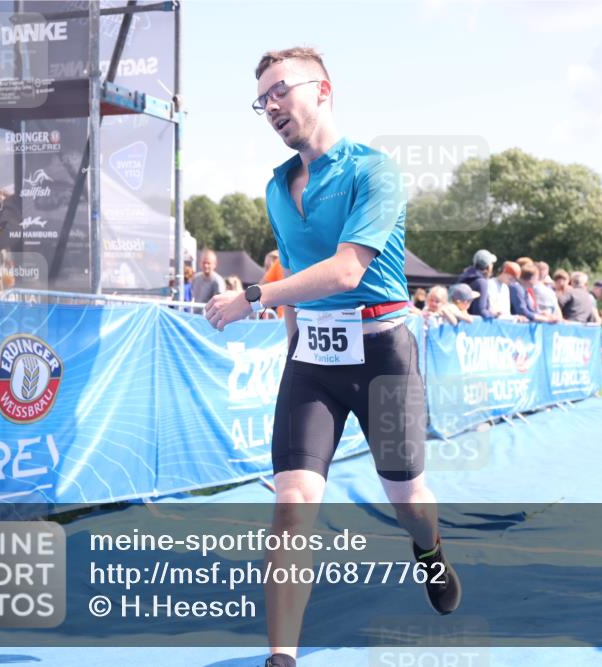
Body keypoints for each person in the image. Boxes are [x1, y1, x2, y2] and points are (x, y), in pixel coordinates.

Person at [204, 47, 460, 667]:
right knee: (291, 504)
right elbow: (297, 271)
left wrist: (252, 298)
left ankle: (429, 551)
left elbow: (346, 271)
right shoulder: (274, 186)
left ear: (323, 90)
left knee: (409, 501)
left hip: (384, 355)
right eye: (261, 99)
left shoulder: (375, 171)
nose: (270, 107)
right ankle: (281, 658)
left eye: (280, 91)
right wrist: (294, 349)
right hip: (313, 362)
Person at [456, 249, 497, 319]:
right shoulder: (481, 282)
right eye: (491, 263)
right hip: (471, 324)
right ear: (488, 266)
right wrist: (495, 315)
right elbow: (481, 311)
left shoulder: (462, 277)